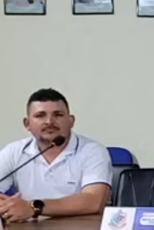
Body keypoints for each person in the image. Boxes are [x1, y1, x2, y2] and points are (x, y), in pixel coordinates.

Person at [0, 89, 112, 223]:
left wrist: (33, 207)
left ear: (71, 121)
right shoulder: (13, 151)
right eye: (40, 115)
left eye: (58, 115)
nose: (49, 121)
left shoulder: (92, 151)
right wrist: (8, 206)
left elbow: (94, 201)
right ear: (27, 124)